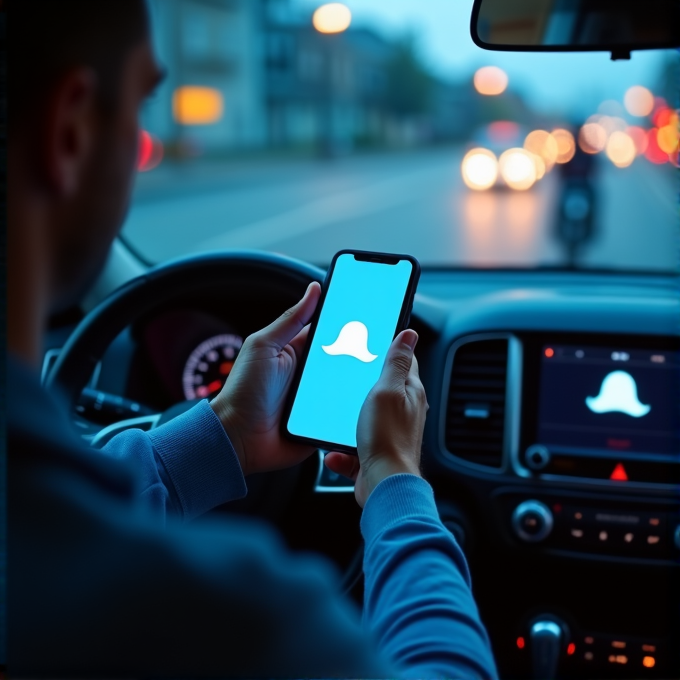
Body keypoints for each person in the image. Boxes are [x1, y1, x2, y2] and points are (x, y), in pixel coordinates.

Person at [7, 1, 498, 677]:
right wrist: (394, 480)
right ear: (69, 131)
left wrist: (226, 436)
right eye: (144, 108)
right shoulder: (244, 621)